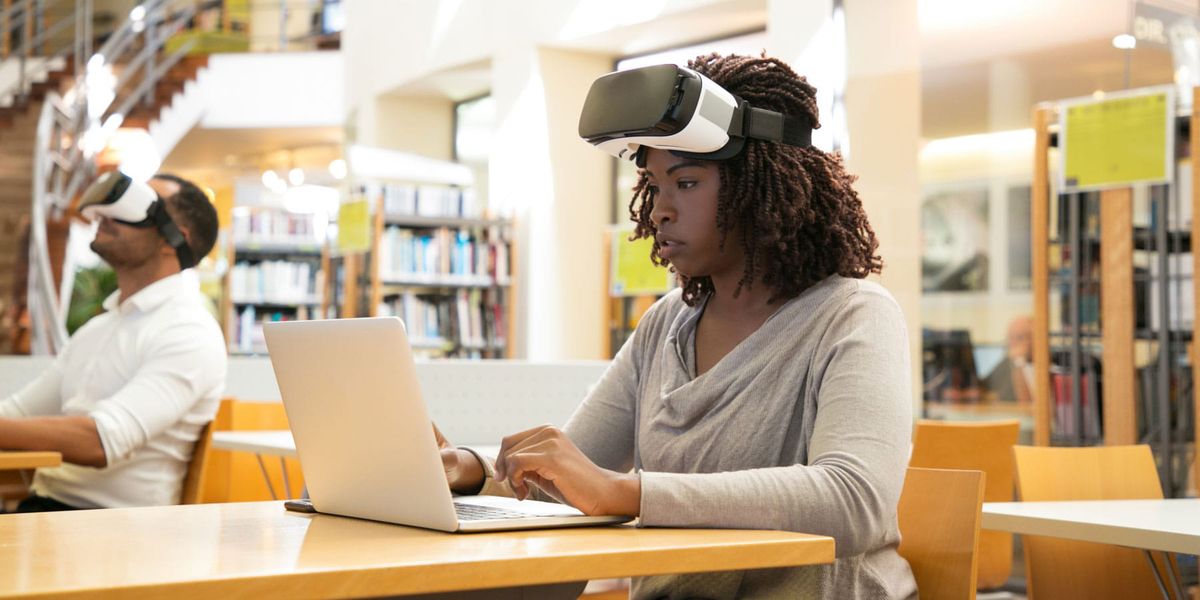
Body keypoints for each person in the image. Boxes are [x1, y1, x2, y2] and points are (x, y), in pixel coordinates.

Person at [438, 53, 917, 599]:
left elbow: (855, 500)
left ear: (762, 187)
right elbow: (572, 480)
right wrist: (470, 468)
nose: (660, 209)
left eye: (686, 183)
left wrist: (631, 493)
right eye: (654, 184)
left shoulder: (853, 314)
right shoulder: (665, 324)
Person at [0, 172, 226, 511]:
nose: (107, 213)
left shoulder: (189, 332)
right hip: (43, 513)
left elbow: (101, 442)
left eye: (138, 204)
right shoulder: (99, 328)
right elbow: (17, 413)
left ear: (172, 240)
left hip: (113, 533)